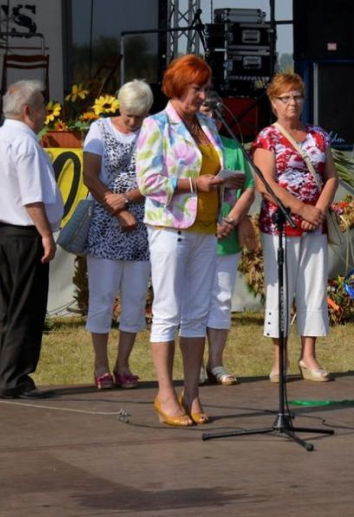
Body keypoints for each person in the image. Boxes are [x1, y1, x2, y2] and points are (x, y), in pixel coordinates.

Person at [136, 55, 245, 426]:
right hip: (169, 228)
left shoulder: (207, 124)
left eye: (205, 88)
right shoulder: (156, 125)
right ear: (178, 88)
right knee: (168, 310)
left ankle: (192, 394)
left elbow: (212, 170)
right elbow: (148, 183)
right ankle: (165, 394)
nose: (203, 95)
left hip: (205, 228)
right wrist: (192, 184)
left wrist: (226, 184)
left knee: (199, 312)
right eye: (197, 88)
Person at [251, 73, 338, 383]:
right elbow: (265, 183)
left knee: (313, 288)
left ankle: (309, 355)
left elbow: (331, 176)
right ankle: (280, 359)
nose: (292, 103)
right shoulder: (267, 137)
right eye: (285, 98)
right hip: (280, 224)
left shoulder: (318, 135)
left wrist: (317, 210)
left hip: (315, 224)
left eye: (297, 96)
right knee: (281, 289)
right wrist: (299, 208)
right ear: (273, 103)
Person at [0, 80, 64, 399]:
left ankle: (4, 375)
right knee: (25, 308)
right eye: (42, 106)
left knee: (8, 307)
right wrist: (46, 235)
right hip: (23, 234)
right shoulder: (25, 143)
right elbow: (32, 197)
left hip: (0, 234)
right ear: (28, 111)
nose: (46, 113)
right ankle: (15, 378)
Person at [82, 80, 154, 390]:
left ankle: (123, 364)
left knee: (136, 299)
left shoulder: (152, 131)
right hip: (105, 222)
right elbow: (89, 174)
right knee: (102, 297)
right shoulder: (99, 129)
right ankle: (100, 364)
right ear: (119, 107)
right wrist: (116, 205)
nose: (134, 122)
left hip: (142, 223)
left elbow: (157, 176)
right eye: (129, 116)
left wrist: (128, 200)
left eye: (139, 116)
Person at [200, 92, 258, 386]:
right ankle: (194, 363)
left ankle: (216, 363)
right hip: (195, 233)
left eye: (215, 112)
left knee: (221, 300)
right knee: (193, 300)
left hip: (226, 235)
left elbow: (249, 187)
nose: (210, 117)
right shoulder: (188, 150)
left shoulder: (235, 149)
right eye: (204, 111)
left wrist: (233, 220)